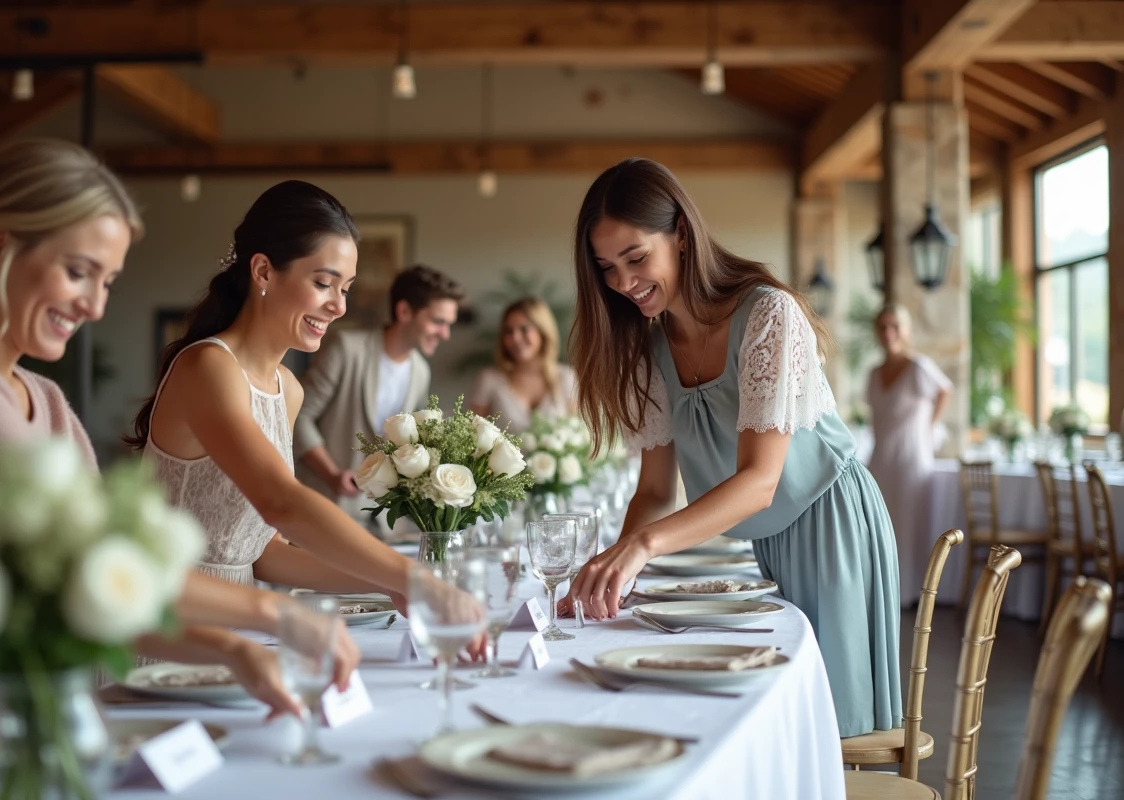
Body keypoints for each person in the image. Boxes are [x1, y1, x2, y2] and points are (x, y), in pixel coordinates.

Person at [0, 140, 356, 755]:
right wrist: (274, 620)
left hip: (42, 729)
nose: (95, 305)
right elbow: (83, 567)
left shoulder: (44, 400)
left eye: (107, 282)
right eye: (79, 272)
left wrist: (232, 648)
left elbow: (106, 587)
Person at [565, 158, 901, 738]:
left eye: (636, 258)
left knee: (839, 726)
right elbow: (652, 490)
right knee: (784, 715)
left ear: (682, 235)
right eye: (607, 268)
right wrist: (616, 569)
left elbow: (760, 480)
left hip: (830, 522)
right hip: (766, 540)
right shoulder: (650, 351)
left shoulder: (768, 313)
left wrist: (644, 546)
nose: (621, 283)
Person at [126, 183, 441, 608]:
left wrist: (386, 585)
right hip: (170, 628)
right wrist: (410, 575)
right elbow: (280, 502)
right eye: (323, 283)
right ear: (263, 272)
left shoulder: (287, 390)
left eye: (345, 288)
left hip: (241, 629)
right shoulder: (209, 367)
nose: (339, 306)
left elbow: (265, 555)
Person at [293, 264, 464, 526]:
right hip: (326, 508)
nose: (445, 334)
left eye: (448, 324)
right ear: (404, 311)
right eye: (437, 321)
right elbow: (298, 416)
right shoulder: (346, 349)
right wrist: (331, 474)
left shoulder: (421, 371)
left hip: (385, 521)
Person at [867, 304, 952, 608]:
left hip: (911, 458)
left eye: (895, 326)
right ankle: (881, 588)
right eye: (883, 327)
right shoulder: (874, 373)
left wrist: (928, 428)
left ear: (907, 331)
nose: (889, 333)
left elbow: (945, 390)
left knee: (908, 524)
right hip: (880, 459)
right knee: (880, 524)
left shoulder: (919, 366)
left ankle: (908, 594)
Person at [469, 296, 577, 434]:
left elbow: (579, 434)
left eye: (524, 329)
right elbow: (471, 436)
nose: (515, 338)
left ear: (543, 332)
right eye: (508, 331)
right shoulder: (489, 379)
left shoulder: (566, 377)